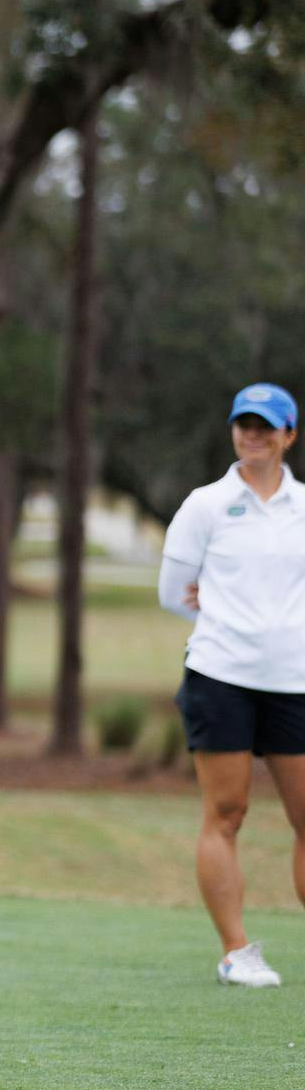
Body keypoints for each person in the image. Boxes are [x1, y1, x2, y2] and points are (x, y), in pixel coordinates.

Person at [159, 382, 305, 989]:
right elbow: (174, 593)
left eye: (266, 426)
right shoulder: (205, 505)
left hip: (294, 681)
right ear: (233, 432)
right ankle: (236, 951)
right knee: (227, 811)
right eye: (244, 424)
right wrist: (228, 624)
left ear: (288, 435)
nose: (254, 434)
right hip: (221, 676)